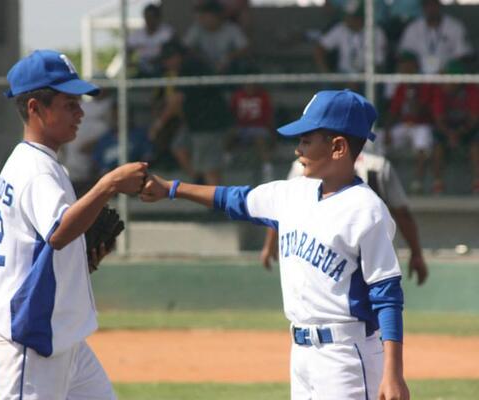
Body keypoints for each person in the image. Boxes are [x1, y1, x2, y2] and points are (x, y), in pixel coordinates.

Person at [141, 89, 410, 400]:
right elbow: (234, 199)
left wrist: (393, 374)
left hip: (347, 356)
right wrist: (171, 188)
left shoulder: (367, 210)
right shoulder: (293, 193)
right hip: (301, 354)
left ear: (337, 147)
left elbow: (387, 295)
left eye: (306, 140)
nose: (297, 149)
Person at [0, 49, 148, 400]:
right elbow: (58, 233)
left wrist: (72, 266)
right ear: (36, 108)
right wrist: (109, 184)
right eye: (70, 103)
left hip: (60, 336)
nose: (81, 112)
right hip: (31, 341)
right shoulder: (37, 171)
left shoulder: (28, 164)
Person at [261, 149, 429, 286]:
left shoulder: (305, 165)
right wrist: (416, 253)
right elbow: (402, 214)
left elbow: (284, 206)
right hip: (375, 255)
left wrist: (269, 245)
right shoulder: (378, 165)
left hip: (324, 255)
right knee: (380, 306)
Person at [151, 39, 233, 185]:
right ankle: (200, 182)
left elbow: (176, 100)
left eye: (167, 60)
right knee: (179, 146)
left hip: (208, 123)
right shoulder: (184, 68)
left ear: (176, 56)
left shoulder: (190, 66)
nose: (165, 64)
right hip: (195, 122)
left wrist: (158, 125)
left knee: (210, 167)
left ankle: (217, 202)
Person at [384, 52, 434, 193]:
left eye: (407, 64)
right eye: (402, 64)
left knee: (422, 139)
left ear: (415, 66)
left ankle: (417, 182)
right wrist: (388, 131)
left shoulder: (425, 84)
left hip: (421, 125)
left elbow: (420, 111)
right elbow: (393, 111)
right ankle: (382, 181)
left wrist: (412, 93)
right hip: (404, 126)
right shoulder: (401, 86)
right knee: (378, 138)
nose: (403, 67)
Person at [430, 61, 479, 194]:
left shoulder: (471, 91)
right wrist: (450, 134)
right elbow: (439, 119)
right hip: (447, 128)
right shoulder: (440, 92)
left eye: (449, 79)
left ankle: (477, 182)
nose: (445, 83)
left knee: (476, 144)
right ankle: (438, 183)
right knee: (437, 145)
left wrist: (459, 133)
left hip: (466, 128)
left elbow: (474, 119)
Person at [314, 0, 387, 76]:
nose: (346, 19)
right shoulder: (340, 28)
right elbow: (319, 49)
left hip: (366, 76)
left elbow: (379, 63)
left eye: (350, 16)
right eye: (346, 16)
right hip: (343, 76)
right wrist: (326, 72)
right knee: (330, 84)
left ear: (360, 18)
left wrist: (359, 77)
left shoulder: (377, 32)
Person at [398, 0, 472, 75]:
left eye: (434, 5)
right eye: (428, 5)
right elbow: (404, 54)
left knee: (456, 70)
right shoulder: (413, 28)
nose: (431, 9)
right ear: (423, 7)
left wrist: (448, 69)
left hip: (446, 76)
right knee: (405, 66)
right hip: (419, 74)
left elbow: (463, 55)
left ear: (439, 5)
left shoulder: (455, 27)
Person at [227, 74, 275, 182]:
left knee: (260, 138)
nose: (250, 87)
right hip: (242, 127)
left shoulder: (263, 96)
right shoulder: (238, 95)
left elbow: (269, 116)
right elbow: (231, 113)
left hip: (259, 127)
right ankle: (227, 157)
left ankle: (267, 168)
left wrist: (272, 132)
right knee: (229, 134)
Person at [183, 0, 248, 74]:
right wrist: (201, 58)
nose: (203, 20)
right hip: (204, 65)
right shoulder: (197, 28)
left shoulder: (231, 28)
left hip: (228, 67)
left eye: (208, 16)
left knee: (242, 64)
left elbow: (244, 48)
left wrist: (228, 58)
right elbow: (185, 48)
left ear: (218, 17)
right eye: (202, 16)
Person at [127, 3, 174, 77]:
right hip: (142, 67)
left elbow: (172, 51)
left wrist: (158, 60)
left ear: (158, 18)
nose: (149, 20)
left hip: (162, 67)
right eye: (147, 17)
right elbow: (128, 49)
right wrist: (129, 61)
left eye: (152, 17)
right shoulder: (138, 34)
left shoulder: (166, 31)